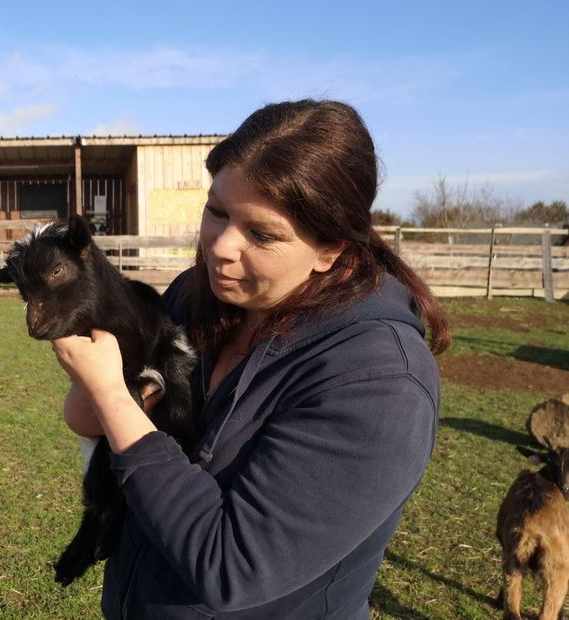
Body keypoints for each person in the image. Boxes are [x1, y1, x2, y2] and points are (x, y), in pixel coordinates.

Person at [52, 99, 450, 619]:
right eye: (216, 211)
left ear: (331, 248)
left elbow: (232, 568)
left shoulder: (379, 382)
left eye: (261, 234)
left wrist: (110, 394)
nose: (219, 246)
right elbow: (86, 420)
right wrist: (96, 384)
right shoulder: (193, 299)